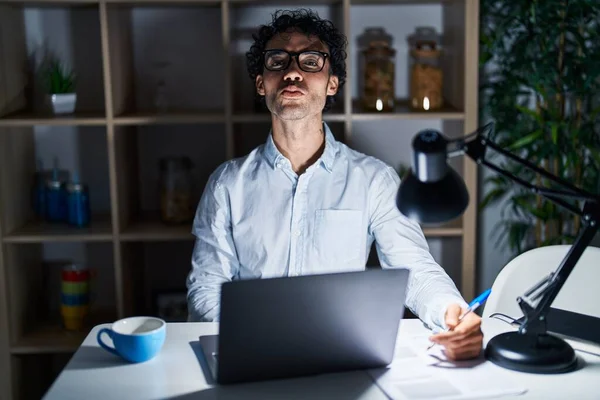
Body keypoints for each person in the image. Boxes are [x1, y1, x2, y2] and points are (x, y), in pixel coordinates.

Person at [186, 8, 482, 361]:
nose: (293, 72)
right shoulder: (226, 185)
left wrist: (451, 310)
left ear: (332, 85)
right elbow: (205, 289)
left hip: (339, 355)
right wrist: (252, 337)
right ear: (261, 83)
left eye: (311, 61)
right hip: (252, 356)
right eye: (277, 61)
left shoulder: (374, 179)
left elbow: (414, 268)